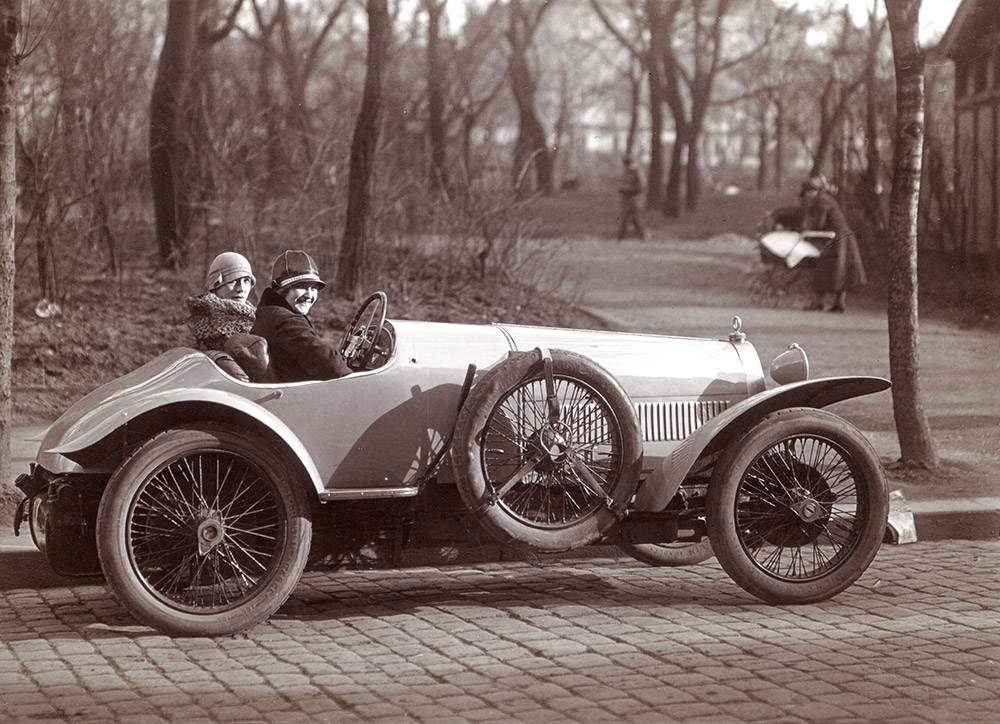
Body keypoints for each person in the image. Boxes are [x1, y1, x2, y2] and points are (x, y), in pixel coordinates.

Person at [251, 250, 352, 382]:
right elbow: (332, 366)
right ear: (282, 290)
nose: (309, 295)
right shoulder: (287, 322)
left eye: (314, 288)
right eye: (301, 286)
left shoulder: (267, 312)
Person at [185, 252, 270, 382]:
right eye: (233, 281)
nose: (241, 288)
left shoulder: (256, 317)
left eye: (246, 281)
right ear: (215, 284)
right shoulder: (212, 325)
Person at [799, 175, 867, 313]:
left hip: (838, 238)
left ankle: (819, 302)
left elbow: (819, 223)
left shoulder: (821, 201)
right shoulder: (823, 199)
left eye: (806, 194)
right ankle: (838, 303)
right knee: (839, 270)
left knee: (826, 267)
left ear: (811, 192)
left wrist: (806, 231)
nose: (805, 197)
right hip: (840, 237)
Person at [617, 155, 645, 241]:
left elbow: (642, 186)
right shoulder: (626, 172)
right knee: (626, 217)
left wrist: (628, 189)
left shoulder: (637, 172)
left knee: (634, 218)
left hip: (635, 198)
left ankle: (642, 236)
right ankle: (621, 237)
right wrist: (622, 189)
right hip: (626, 198)